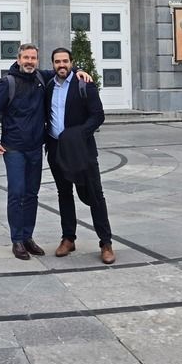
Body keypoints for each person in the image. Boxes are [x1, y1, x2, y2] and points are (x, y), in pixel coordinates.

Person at [0, 43, 90, 260]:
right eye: (26, 58)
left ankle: (28, 237)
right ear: (18, 59)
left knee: (32, 194)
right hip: (14, 149)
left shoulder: (42, 77)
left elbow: (64, 68)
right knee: (17, 193)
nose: (29, 62)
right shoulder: (7, 83)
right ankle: (17, 240)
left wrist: (79, 70)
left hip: (35, 148)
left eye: (33, 58)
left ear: (37, 61)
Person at [45, 47, 115, 265]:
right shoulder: (48, 85)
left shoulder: (84, 83)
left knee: (94, 194)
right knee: (63, 193)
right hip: (56, 149)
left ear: (72, 62)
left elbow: (98, 116)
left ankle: (105, 243)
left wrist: (77, 135)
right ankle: (68, 238)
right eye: (57, 62)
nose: (61, 65)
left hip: (81, 149)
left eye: (65, 61)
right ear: (53, 64)